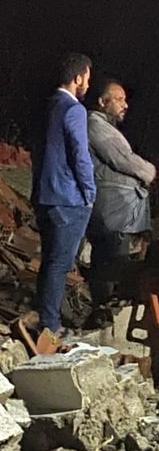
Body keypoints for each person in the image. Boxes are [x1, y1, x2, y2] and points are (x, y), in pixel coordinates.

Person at [32, 53, 95, 335]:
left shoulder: (47, 107)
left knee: (49, 262)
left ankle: (46, 318)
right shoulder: (74, 110)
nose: (88, 85)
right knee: (60, 263)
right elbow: (80, 155)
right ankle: (51, 325)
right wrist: (89, 193)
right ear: (78, 78)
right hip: (68, 198)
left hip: (44, 194)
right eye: (87, 79)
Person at [85, 78, 156, 306]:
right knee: (111, 263)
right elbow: (122, 159)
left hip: (119, 212)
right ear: (102, 101)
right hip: (113, 212)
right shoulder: (96, 125)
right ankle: (105, 308)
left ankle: (109, 306)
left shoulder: (104, 126)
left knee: (115, 262)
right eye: (119, 99)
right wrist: (149, 171)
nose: (125, 105)